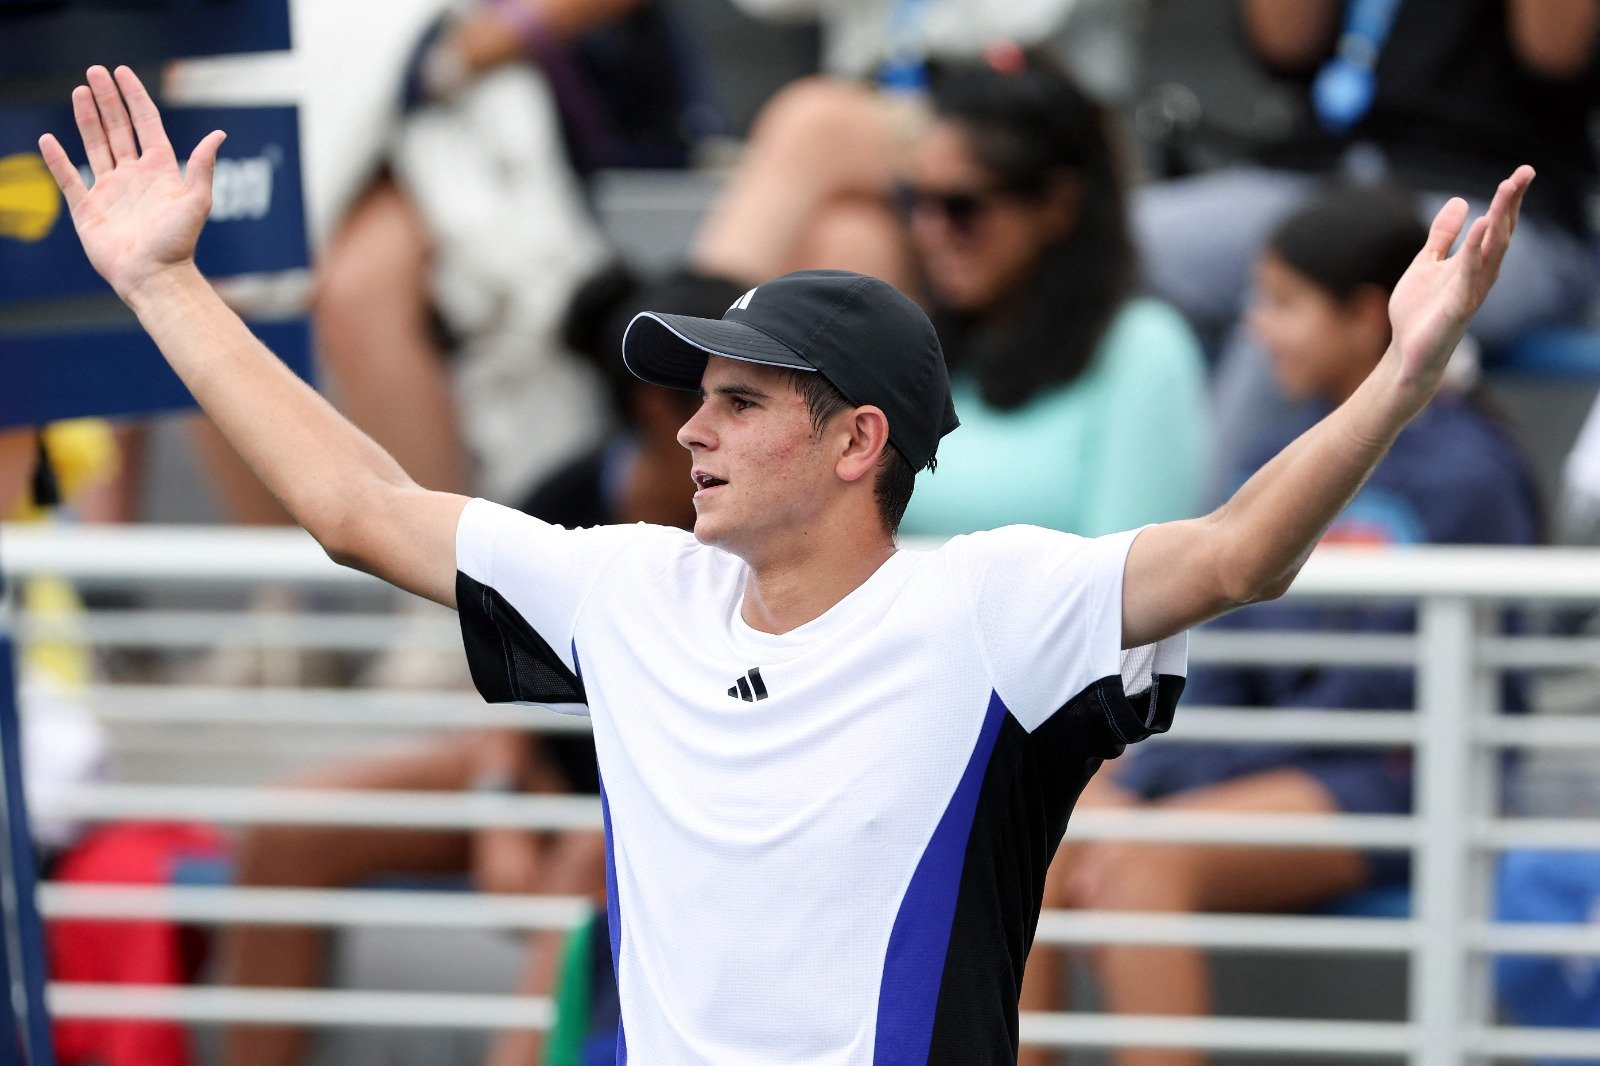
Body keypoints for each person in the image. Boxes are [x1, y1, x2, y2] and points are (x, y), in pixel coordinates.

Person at [41, 65, 1529, 1064]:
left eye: (740, 399)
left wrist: (1396, 376)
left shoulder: (992, 603)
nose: (691, 429)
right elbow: (356, 503)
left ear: (856, 441)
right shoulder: (633, 585)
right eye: (697, 394)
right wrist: (164, 285)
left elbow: (1237, 551)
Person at [1021, 187, 1542, 1066]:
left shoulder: (1467, 472)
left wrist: (1180, 775)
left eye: (1284, 303)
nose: (1258, 329)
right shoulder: (1298, 449)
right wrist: (1156, 768)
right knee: (1045, 835)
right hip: (1276, 762)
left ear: (1366, 313)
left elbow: (1382, 698)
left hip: (1401, 781)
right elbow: (1231, 650)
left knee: (1144, 868)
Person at [220, 270, 737, 1066]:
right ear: (660, 410)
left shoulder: (761, 525)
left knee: (578, 879)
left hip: (672, 793)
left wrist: (602, 818)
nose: (742, 420)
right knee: (291, 829)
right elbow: (494, 666)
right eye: (736, 395)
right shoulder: (564, 495)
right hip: (544, 774)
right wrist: (504, 803)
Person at [1137, 0, 1598, 493]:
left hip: (1486, 192)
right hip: (1316, 172)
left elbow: (1553, 54)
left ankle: (1211, 552)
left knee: (1296, 301)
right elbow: (1284, 45)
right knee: (1105, 246)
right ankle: (1104, 542)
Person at [893, 52, 1207, 536]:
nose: (929, 232)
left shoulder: (1143, 349)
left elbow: (1139, 589)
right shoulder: (913, 349)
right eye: (915, 201)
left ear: (1059, 206)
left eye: (961, 207)